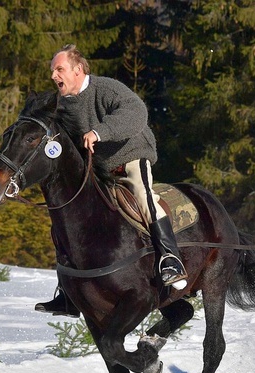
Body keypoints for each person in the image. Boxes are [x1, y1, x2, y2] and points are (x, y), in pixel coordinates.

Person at [35, 44, 188, 317]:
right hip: (99, 169)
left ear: (78, 70)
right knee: (70, 215)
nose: (53, 76)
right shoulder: (62, 105)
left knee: (143, 194)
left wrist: (99, 132)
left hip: (131, 156)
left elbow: (137, 113)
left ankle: (170, 260)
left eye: (59, 69)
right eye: (52, 71)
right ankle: (67, 293)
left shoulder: (106, 88)